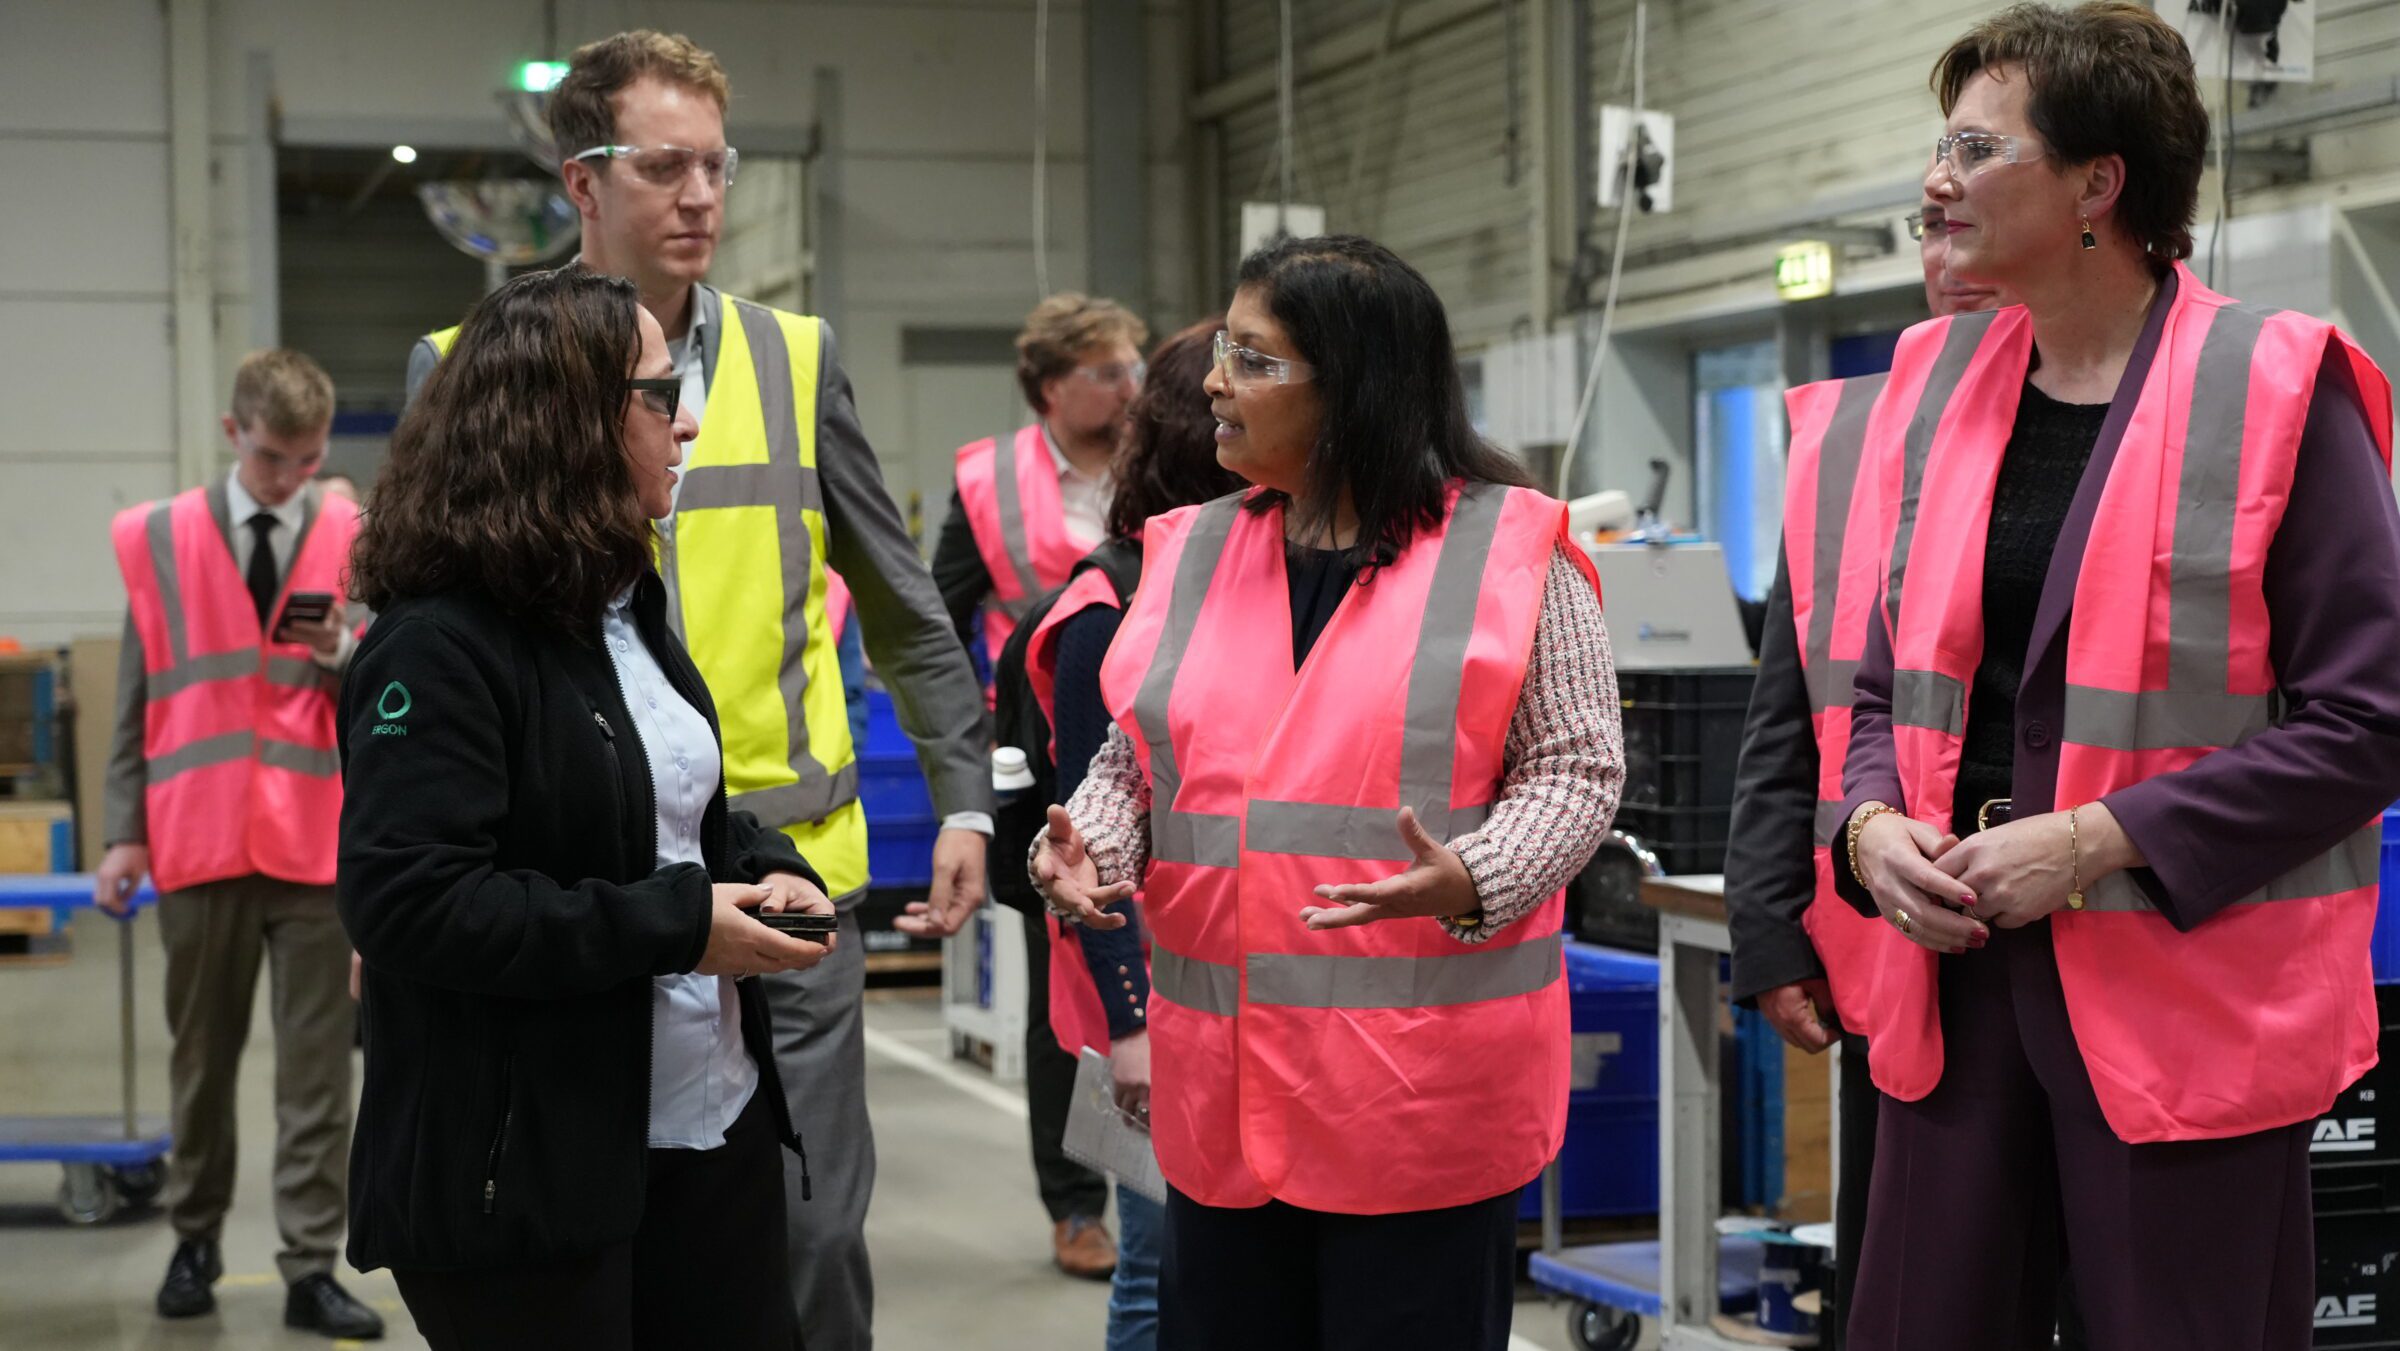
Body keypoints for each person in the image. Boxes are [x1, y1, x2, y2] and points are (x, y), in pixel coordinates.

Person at [401, 33, 992, 1349]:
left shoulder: (793, 357)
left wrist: (966, 798)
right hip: (596, 899)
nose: (702, 196)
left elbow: (901, 598)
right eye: (665, 165)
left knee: (813, 1236)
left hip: (790, 885)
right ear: (582, 183)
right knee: (621, 1244)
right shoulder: (467, 361)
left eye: (716, 166)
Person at [1835, 6, 2400, 1348]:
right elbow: (1880, 688)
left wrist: (2090, 842)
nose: (1937, 178)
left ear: (2098, 184)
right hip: (1953, 981)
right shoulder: (1932, 378)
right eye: (1940, 143)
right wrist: (1867, 829)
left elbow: (2370, 717)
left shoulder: (2278, 385)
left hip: (2183, 997)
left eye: (1977, 146)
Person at [1033, 235, 1624, 1351]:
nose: (1212, 380)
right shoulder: (1195, 552)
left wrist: (1476, 873)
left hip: (1415, 1107)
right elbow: (1136, 758)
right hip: (1227, 1106)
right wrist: (1091, 845)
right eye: (1222, 350)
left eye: (1252, 359)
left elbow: (1579, 768)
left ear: (1353, 389)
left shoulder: (1512, 551)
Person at [340, 268, 838, 1349]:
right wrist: (679, 924)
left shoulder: (622, 604)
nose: (687, 419)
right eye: (659, 396)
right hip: (527, 1172)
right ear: (566, 423)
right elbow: (413, 904)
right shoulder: (439, 643)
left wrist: (765, 858)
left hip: (704, 1126)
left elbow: (667, 806)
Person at [1721, 191, 2002, 1347]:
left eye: (1974, 225)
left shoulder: (2142, 429)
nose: (1953, 260)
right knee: (1904, 1287)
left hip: (2096, 934)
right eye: (1932, 234)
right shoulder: (1852, 440)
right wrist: (1768, 931)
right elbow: (1786, 709)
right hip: (1886, 927)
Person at [94, 348, 381, 1339]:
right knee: (202, 1065)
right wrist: (122, 832)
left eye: (307, 461)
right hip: (195, 843)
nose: (290, 479)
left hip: (311, 848)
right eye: (271, 458)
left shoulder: (348, 533)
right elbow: (133, 698)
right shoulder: (161, 540)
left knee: (317, 1077)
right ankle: (194, 1241)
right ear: (232, 435)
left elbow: (384, 703)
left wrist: (345, 654)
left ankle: (309, 1265)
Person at [994, 318, 1242, 1349]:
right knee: (1152, 1270)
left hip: (1207, 998)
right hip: (1131, 1000)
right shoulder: (1108, 610)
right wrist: (1133, 1023)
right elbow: (1091, 838)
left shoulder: (1210, 587)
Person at [933, 294, 1148, 683]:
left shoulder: (1161, 469)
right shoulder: (990, 480)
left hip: (1148, 715)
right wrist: (971, 734)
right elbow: (942, 625)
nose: (1131, 391)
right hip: (1034, 717)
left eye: (1136, 371)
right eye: (1111, 374)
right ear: (1053, 389)